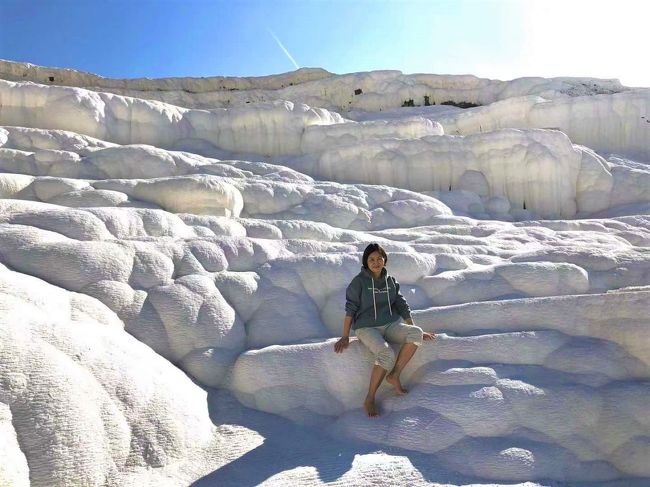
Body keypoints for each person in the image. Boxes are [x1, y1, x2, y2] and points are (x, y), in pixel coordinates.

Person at [334, 243, 436, 417]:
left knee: (416, 333)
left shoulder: (390, 281)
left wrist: (412, 327)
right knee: (386, 354)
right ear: (366, 262)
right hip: (366, 327)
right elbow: (350, 309)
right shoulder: (359, 282)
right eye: (371, 259)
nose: (376, 262)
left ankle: (394, 375)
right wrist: (345, 336)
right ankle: (370, 398)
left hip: (389, 325)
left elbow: (402, 305)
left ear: (385, 260)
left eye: (379, 259)